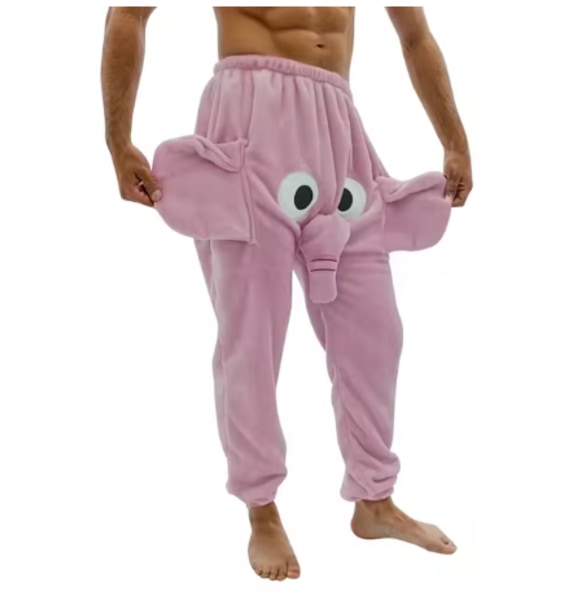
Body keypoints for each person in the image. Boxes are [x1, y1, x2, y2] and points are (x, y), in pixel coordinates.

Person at [101, 6, 473, 581]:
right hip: (251, 115)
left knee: (375, 333)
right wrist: (118, 140)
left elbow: (415, 35)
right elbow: (128, 14)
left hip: (339, 126)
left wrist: (455, 140)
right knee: (252, 333)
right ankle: (262, 509)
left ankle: (374, 499)